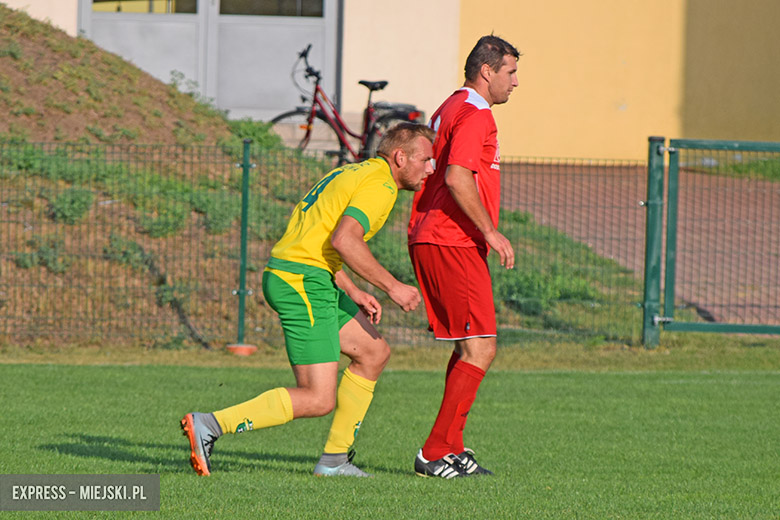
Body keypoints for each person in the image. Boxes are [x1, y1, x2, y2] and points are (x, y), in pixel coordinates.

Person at [181, 122, 435, 477]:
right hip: (301, 281)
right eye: (425, 160)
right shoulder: (380, 185)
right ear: (400, 157)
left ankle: (334, 461)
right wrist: (393, 287)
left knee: (374, 353)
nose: (430, 169)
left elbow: (320, 240)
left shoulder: (352, 172)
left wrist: (353, 290)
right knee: (317, 398)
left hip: (309, 275)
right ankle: (210, 424)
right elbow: (345, 240)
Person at [407, 35, 520, 478]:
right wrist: (490, 231)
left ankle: (451, 447)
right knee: (482, 347)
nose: (515, 82)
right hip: (451, 238)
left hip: (437, 235)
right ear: (487, 71)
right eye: (510, 72)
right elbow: (456, 176)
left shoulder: (451, 105)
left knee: (471, 346)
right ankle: (434, 451)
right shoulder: (476, 114)